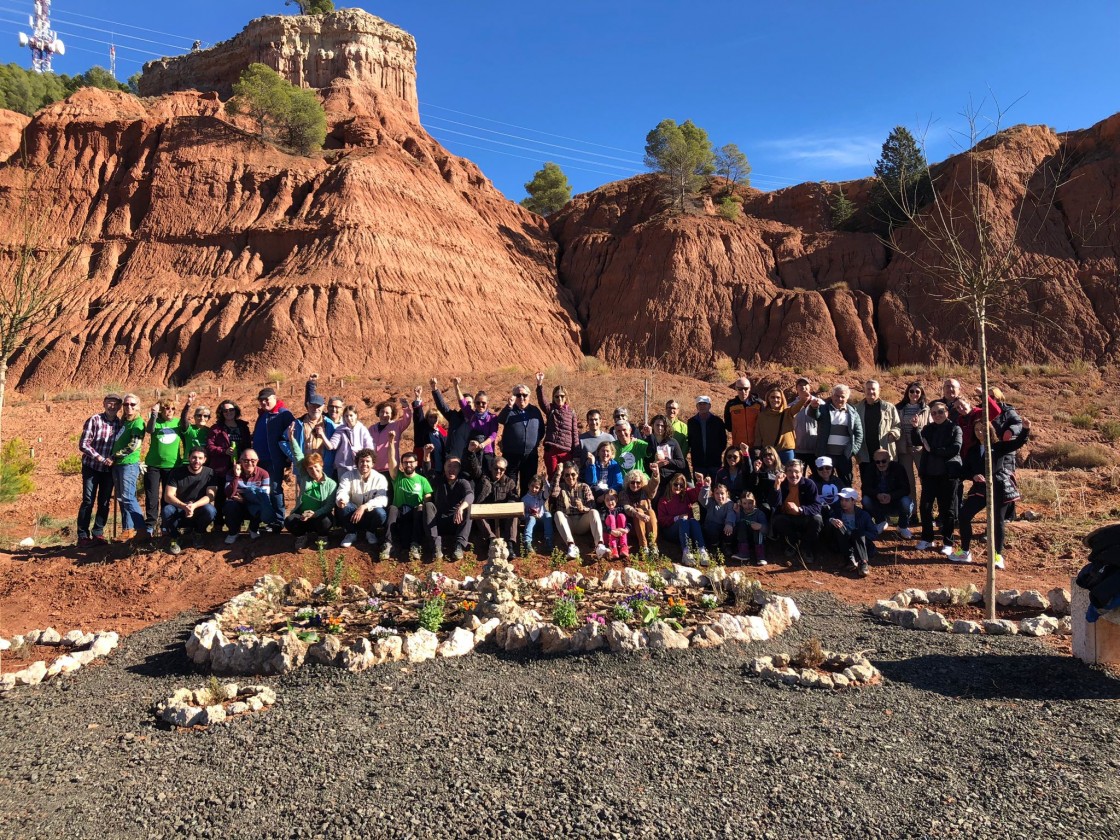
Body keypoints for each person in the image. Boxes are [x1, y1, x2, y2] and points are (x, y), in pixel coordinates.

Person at [954, 418, 1032, 568]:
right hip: (980, 489)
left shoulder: (998, 446)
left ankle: (997, 556)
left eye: (983, 429)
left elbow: (1018, 443)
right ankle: (964, 552)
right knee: (964, 515)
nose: (980, 432)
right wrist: (973, 476)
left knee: (997, 521)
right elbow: (965, 471)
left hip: (998, 487)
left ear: (989, 430)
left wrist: (1025, 429)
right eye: (977, 430)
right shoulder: (973, 450)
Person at [911, 400, 963, 555]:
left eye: (940, 411)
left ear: (946, 412)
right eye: (934, 413)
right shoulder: (928, 428)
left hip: (948, 476)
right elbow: (917, 441)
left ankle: (948, 541)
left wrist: (933, 450)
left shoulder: (955, 428)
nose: (937, 415)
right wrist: (915, 428)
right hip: (929, 475)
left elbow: (955, 449)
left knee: (947, 510)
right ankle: (927, 538)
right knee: (925, 508)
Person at [76, 394, 123, 547]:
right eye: (110, 403)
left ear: (119, 407)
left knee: (104, 502)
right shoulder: (94, 420)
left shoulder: (121, 424)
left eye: (116, 404)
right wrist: (101, 458)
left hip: (109, 470)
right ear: (104, 404)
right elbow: (84, 444)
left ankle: (98, 533)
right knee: (88, 500)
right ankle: (83, 535)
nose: (112, 406)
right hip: (92, 466)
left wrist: (114, 459)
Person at [284, 427, 338, 551]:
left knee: (326, 521)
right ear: (306, 470)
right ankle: (301, 536)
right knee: (290, 520)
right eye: (310, 468)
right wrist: (292, 439)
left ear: (322, 465)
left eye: (316, 467)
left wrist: (314, 514)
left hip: (318, 517)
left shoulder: (331, 484)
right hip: (302, 516)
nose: (313, 471)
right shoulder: (305, 477)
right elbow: (298, 456)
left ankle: (322, 537)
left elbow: (329, 506)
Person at [253, 387, 298, 528]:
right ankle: (268, 519)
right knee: (262, 489)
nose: (264, 402)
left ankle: (278, 521)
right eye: (261, 400)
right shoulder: (263, 414)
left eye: (267, 399)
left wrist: (289, 456)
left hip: (274, 460)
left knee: (274, 489)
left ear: (275, 397)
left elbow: (292, 437)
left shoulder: (283, 414)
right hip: (260, 461)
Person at [161, 447, 217, 555]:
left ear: (205, 459)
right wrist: (184, 506)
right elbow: (168, 496)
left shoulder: (210, 473)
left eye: (200, 458)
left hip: (198, 508)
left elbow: (211, 496)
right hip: (179, 508)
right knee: (167, 510)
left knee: (210, 510)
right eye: (194, 458)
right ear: (188, 458)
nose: (197, 461)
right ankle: (175, 538)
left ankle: (198, 533)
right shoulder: (176, 472)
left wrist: (194, 505)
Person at [206, 400, 251, 532]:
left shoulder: (243, 427)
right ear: (221, 413)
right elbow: (209, 447)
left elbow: (248, 445)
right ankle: (218, 524)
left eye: (231, 410)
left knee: (239, 494)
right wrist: (223, 451)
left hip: (240, 466)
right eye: (225, 410)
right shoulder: (216, 428)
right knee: (220, 496)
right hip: (221, 468)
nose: (228, 412)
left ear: (236, 410)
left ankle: (239, 524)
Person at [550, 462, 609, 560]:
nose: (570, 477)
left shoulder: (584, 487)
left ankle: (599, 546)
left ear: (577, 475)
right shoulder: (560, 487)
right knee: (558, 514)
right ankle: (571, 546)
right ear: (563, 477)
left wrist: (583, 508)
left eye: (573, 474)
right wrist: (558, 473)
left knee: (594, 512)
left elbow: (592, 506)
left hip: (582, 522)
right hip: (568, 522)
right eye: (567, 475)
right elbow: (553, 494)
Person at [387, 438, 434, 561]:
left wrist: (422, 506)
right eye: (405, 462)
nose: (408, 464)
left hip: (415, 514)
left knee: (420, 510)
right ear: (402, 464)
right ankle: (388, 544)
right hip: (399, 513)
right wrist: (391, 443)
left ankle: (415, 545)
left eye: (411, 462)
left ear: (416, 463)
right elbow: (391, 461)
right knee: (392, 508)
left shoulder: (422, 480)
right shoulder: (397, 477)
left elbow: (428, 500)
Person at [143, 398, 183, 539]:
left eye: (172, 409)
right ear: (161, 410)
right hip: (153, 465)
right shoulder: (156, 422)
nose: (169, 411)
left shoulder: (178, 422)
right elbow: (149, 430)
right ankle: (150, 526)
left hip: (172, 466)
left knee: (168, 498)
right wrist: (153, 414)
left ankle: (166, 525)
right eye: (166, 408)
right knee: (152, 497)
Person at [809, 384, 864, 487]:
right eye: (837, 396)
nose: (839, 399)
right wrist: (813, 407)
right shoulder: (824, 409)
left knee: (846, 482)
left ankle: (847, 502)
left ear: (847, 398)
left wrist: (853, 450)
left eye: (842, 396)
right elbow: (814, 414)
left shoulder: (853, 413)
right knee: (824, 482)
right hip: (826, 453)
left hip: (844, 455)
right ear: (832, 396)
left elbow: (859, 433)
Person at [335, 447, 389, 549]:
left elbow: (382, 499)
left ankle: (371, 532)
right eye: (362, 461)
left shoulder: (380, 478)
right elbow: (342, 490)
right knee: (343, 506)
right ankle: (351, 533)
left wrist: (364, 507)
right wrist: (342, 499)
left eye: (368, 461)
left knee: (381, 513)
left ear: (373, 464)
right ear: (357, 463)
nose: (364, 464)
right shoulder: (348, 475)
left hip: (369, 514)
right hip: (353, 514)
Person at [770, 460, 822, 563]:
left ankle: (806, 547)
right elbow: (774, 504)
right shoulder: (782, 483)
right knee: (778, 519)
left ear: (802, 472)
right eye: (790, 471)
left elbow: (817, 506)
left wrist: (800, 509)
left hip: (804, 517)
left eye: (796, 471)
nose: (793, 475)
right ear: (785, 473)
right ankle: (792, 544)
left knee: (817, 520)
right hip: (787, 518)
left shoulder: (809, 484)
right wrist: (777, 486)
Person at [497, 384, 546, 495]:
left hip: (530, 456)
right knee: (510, 486)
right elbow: (500, 420)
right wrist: (509, 406)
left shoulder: (535, 411)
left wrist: (534, 443)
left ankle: (527, 510)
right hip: (511, 455)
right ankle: (512, 510)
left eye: (524, 395)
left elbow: (542, 430)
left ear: (529, 396)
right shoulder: (510, 410)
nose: (522, 398)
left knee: (528, 486)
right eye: (518, 395)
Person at [110, 393, 146, 541]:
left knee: (128, 497)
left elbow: (133, 446)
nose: (129, 407)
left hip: (128, 464)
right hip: (119, 465)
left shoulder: (138, 422)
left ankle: (141, 530)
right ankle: (127, 530)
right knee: (121, 498)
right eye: (126, 404)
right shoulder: (125, 422)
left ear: (138, 406)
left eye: (132, 404)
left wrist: (115, 455)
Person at [894, 382, 929, 532]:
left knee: (925, 481)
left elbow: (929, 427)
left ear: (921, 394)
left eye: (917, 392)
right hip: (904, 450)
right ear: (907, 392)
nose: (914, 394)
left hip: (920, 450)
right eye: (912, 391)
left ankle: (926, 513)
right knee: (909, 483)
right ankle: (912, 513)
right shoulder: (899, 408)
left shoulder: (926, 409)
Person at [426, 457, 474, 561]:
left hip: (456, 521)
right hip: (438, 522)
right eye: (449, 466)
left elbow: (470, 495)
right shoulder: (438, 480)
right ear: (444, 467)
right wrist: (427, 454)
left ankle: (459, 545)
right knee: (428, 505)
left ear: (459, 469)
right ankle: (436, 546)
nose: (451, 469)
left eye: (455, 467)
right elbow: (427, 472)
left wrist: (461, 508)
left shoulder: (463, 482)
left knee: (468, 506)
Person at [859, 449, 914, 538]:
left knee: (906, 501)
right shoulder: (870, 469)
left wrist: (891, 496)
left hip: (895, 502)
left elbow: (906, 489)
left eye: (884, 461)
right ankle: (881, 521)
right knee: (866, 500)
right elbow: (865, 488)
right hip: (878, 502)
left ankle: (902, 526)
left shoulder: (898, 468)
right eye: (877, 462)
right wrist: (877, 495)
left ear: (889, 459)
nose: (881, 464)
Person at [823, 488, 878, 577]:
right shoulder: (837, 512)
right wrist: (832, 520)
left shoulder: (863, 515)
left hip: (859, 542)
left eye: (847, 500)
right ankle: (850, 559)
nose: (843, 502)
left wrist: (861, 535)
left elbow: (874, 534)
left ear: (853, 501)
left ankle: (863, 563)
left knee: (857, 532)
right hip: (842, 541)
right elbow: (827, 521)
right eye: (841, 500)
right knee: (838, 526)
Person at [657, 472, 707, 565]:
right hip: (671, 531)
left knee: (693, 521)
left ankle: (702, 550)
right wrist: (676, 518)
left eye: (681, 485)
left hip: (687, 530)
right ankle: (686, 552)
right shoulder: (663, 501)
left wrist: (700, 482)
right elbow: (662, 520)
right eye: (676, 484)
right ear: (671, 483)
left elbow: (697, 493)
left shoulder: (687, 494)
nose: (678, 487)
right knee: (683, 521)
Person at [536, 372, 580, 479]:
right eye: (556, 396)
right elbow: (542, 401)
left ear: (565, 397)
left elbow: (575, 434)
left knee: (567, 479)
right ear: (553, 398)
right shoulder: (551, 409)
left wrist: (576, 454)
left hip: (566, 452)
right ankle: (553, 496)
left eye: (562, 396)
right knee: (552, 478)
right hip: (551, 451)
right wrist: (539, 384)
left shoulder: (571, 412)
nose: (559, 399)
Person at [223, 449, 271, 543]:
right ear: (240, 461)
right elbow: (229, 494)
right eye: (245, 460)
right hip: (237, 504)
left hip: (253, 503)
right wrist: (236, 476)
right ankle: (233, 532)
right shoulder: (231, 472)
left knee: (262, 505)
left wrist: (244, 500)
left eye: (253, 460)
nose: (249, 463)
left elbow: (264, 496)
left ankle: (253, 529)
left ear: (257, 461)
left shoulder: (263, 474)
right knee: (229, 505)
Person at [854, 379, 901, 471]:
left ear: (879, 391)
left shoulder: (889, 407)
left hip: (885, 450)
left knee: (888, 482)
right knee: (868, 481)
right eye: (868, 389)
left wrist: (893, 434)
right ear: (864, 391)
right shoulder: (857, 408)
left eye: (873, 389)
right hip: (865, 453)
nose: (871, 391)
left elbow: (897, 426)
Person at [473, 457, 520, 547]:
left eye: (501, 469)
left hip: (504, 518)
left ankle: (510, 543)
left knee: (514, 510)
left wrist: (510, 504)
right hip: (488, 518)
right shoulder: (484, 481)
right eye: (496, 468)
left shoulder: (510, 482)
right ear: (491, 468)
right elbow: (479, 501)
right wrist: (486, 486)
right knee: (476, 510)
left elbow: (514, 498)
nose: (498, 471)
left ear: (505, 470)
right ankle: (491, 539)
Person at [753, 385, 808, 464]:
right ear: (768, 399)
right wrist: (757, 452)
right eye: (772, 397)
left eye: (778, 397)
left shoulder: (788, 412)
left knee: (789, 474)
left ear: (782, 399)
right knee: (771, 475)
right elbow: (758, 436)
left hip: (786, 452)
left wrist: (803, 399)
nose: (775, 399)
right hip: (769, 453)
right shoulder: (762, 416)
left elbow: (797, 407)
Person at [322, 405, 374, 478]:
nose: (349, 418)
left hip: (359, 466)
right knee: (344, 488)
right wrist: (322, 435)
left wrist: (366, 463)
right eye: (346, 416)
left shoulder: (362, 429)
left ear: (356, 415)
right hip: (343, 467)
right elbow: (332, 446)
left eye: (351, 415)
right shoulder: (340, 429)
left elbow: (369, 448)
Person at [618, 466, 660, 555]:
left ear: (642, 483)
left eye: (638, 482)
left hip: (648, 524)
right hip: (632, 525)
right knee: (639, 510)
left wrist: (655, 474)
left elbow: (653, 487)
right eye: (632, 482)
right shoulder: (623, 494)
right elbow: (627, 507)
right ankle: (643, 546)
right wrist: (638, 514)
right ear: (628, 483)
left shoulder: (645, 491)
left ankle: (653, 545)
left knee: (651, 512)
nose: (635, 485)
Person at [453, 378, 499, 454]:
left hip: (487, 452)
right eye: (478, 403)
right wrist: (456, 385)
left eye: (483, 403)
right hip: (472, 450)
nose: (481, 405)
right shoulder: (471, 415)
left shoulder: (492, 418)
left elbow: (493, 435)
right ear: (474, 403)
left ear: (487, 403)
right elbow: (462, 402)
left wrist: (482, 445)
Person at [430, 377, 472, 460]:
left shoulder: (476, 419)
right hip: (452, 459)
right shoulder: (454, 416)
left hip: (469, 459)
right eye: (464, 402)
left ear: (474, 405)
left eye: (469, 403)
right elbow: (442, 406)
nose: (466, 405)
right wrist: (434, 389)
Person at [645, 414, 688, 493]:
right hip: (653, 481)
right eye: (657, 425)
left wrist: (667, 461)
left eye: (662, 426)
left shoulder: (673, 442)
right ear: (652, 426)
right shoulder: (646, 442)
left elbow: (682, 463)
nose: (660, 428)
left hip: (671, 480)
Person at [368, 398, 412, 474]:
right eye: (382, 412)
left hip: (390, 468)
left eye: (387, 413)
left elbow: (407, 420)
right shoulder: (372, 429)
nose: (384, 415)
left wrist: (406, 407)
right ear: (378, 413)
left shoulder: (396, 426)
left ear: (392, 415)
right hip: (374, 469)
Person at [688, 396, 727, 479]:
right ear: (697, 406)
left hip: (714, 462)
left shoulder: (717, 421)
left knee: (716, 487)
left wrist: (717, 452)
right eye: (700, 404)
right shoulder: (691, 422)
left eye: (705, 404)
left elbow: (723, 440)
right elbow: (690, 441)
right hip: (698, 463)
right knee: (699, 487)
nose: (702, 406)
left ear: (709, 406)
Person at [411, 385, 447, 474]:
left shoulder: (442, 432)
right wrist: (418, 398)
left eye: (435, 417)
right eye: (430, 417)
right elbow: (418, 415)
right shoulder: (422, 429)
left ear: (439, 419)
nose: (433, 420)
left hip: (441, 468)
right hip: (424, 468)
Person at [699, 478, 737, 559]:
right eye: (717, 493)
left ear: (727, 494)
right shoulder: (711, 502)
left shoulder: (730, 503)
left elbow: (731, 513)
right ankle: (714, 547)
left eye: (722, 493)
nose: (720, 496)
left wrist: (729, 523)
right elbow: (702, 500)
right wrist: (706, 487)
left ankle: (726, 545)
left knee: (731, 528)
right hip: (711, 528)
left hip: (724, 528)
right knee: (711, 527)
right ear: (713, 494)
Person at [731, 491, 769, 566]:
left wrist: (760, 526)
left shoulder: (759, 513)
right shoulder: (740, 512)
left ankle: (760, 556)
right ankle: (743, 553)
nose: (747, 506)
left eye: (750, 503)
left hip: (757, 539)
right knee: (741, 523)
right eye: (744, 503)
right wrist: (737, 512)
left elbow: (767, 529)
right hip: (744, 539)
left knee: (758, 530)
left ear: (754, 502)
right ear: (741, 503)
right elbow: (737, 525)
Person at [725, 376, 762, 449]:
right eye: (740, 389)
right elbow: (728, 426)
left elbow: (764, 425)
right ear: (736, 388)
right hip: (738, 446)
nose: (743, 392)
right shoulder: (731, 405)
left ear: (750, 388)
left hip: (756, 446)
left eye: (746, 389)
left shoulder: (758, 404)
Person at [521, 474, 554, 553]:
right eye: (532, 486)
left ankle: (548, 540)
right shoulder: (524, 499)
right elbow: (521, 516)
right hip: (532, 524)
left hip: (542, 522)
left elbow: (548, 491)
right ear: (528, 485)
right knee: (532, 518)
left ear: (539, 489)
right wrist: (530, 515)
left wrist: (545, 480)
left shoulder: (541, 496)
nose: (534, 489)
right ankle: (527, 542)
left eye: (537, 487)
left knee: (547, 514)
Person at [792, 378, 819, 470]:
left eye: (805, 385)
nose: (803, 387)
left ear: (810, 387)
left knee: (817, 477)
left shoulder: (820, 404)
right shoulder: (791, 406)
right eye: (800, 385)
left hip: (815, 450)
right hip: (798, 449)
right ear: (796, 389)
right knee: (799, 478)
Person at [178, 393, 210, 458]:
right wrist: (188, 404)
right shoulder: (189, 429)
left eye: (205, 416)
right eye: (199, 415)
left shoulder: (210, 431)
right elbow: (183, 418)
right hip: (188, 462)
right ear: (194, 417)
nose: (202, 418)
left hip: (204, 463)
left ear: (208, 418)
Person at [602, 490, 630, 559]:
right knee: (611, 517)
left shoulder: (621, 509)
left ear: (616, 500)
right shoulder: (603, 511)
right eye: (607, 500)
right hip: (609, 535)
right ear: (604, 501)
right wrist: (612, 531)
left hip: (619, 534)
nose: (610, 502)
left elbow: (629, 522)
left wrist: (626, 529)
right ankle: (613, 547)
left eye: (612, 499)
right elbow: (602, 525)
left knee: (621, 516)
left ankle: (623, 545)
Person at [664, 399, 691, 468]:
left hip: (677, 462)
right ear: (665, 409)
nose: (671, 410)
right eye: (669, 408)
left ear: (678, 410)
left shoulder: (683, 426)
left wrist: (680, 459)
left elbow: (686, 445)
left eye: (674, 408)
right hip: (662, 461)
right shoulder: (660, 424)